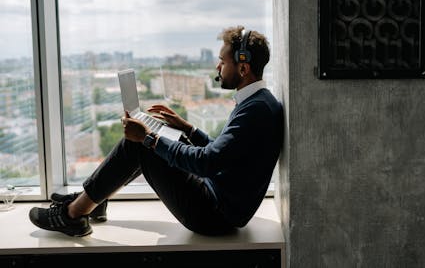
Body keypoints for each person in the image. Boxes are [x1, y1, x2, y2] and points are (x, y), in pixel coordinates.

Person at [29, 26, 284, 237]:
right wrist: (187, 128)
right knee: (161, 138)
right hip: (219, 199)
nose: (218, 68)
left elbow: (207, 163)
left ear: (243, 68)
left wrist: (149, 138)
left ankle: (73, 215)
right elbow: (223, 154)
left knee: (142, 145)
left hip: (214, 216)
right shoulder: (259, 101)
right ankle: (94, 199)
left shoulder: (256, 110)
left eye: (222, 61)